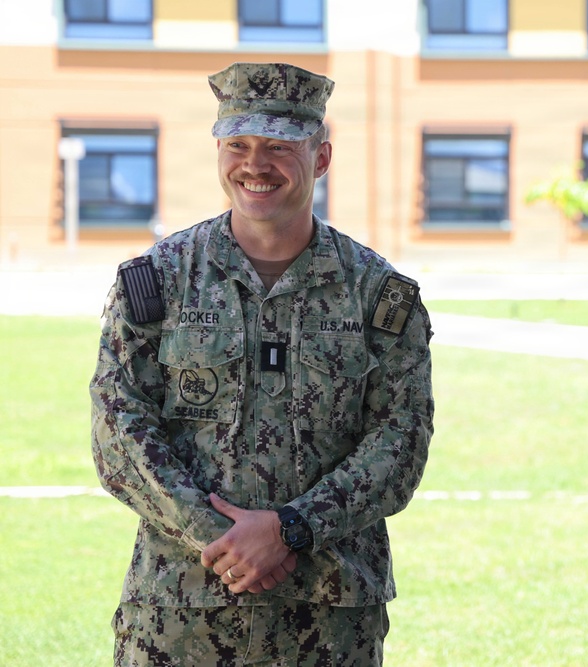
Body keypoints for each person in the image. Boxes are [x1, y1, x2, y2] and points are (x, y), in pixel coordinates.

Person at [90, 62, 434, 666]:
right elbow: (118, 433)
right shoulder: (159, 282)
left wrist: (290, 528)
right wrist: (218, 537)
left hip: (328, 618)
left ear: (321, 158)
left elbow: (399, 444)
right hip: (182, 612)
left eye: (279, 146)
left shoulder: (379, 297)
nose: (255, 164)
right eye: (238, 145)